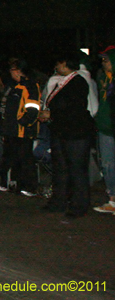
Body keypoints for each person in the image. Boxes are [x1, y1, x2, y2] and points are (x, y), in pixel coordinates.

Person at [40, 53, 97, 218]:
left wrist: (50, 114)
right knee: (61, 168)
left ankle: (79, 205)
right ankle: (59, 201)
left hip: (75, 132)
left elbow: (73, 108)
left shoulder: (78, 82)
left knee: (77, 169)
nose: (56, 67)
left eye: (58, 64)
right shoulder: (63, 82)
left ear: (65, 64)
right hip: (61, 131)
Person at [0, 58, 41, 196]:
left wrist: (23, 122)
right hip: (9, 130)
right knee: (9, 157)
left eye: (13, 69)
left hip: (23, 131)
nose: (11, 72)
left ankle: (29, 187)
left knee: (25, 159)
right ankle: (9, 183)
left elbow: (33, 109)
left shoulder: (30, 86)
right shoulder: (12, 86)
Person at [94, 47, 115, 213]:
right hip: (105, 128)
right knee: (107, 165)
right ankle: (113, 200)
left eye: (106, 60)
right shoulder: (102, 78)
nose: (103, 63)